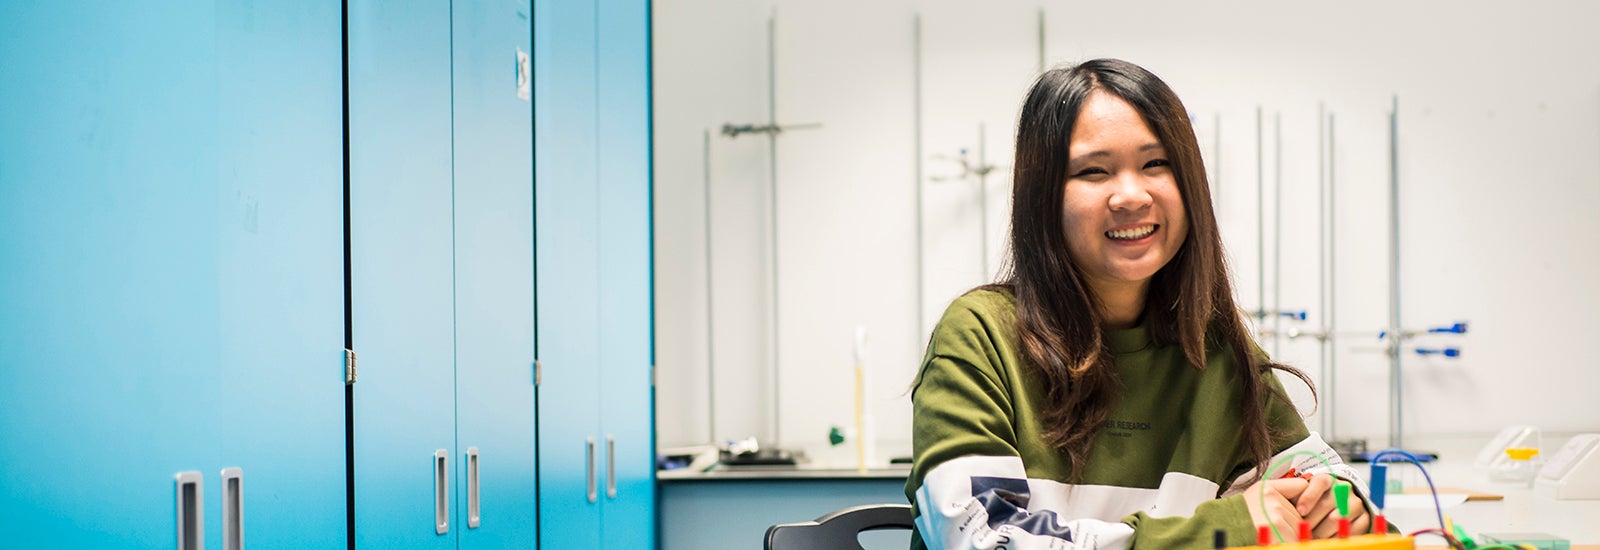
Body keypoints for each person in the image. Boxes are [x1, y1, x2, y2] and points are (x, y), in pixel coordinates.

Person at [906, 58, 1374, 550]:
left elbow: (1329, 486)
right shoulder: (981, 336)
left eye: (1156, 164)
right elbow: (981, 539)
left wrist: (1341, 506)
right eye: (1093, 171)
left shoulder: (1214, 352)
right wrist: (1225, 529)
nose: (1131, 195)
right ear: (1043, 195)